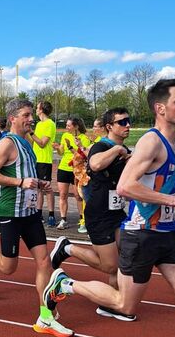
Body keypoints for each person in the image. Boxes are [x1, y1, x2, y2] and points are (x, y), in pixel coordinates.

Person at [43, 79, 175, 337]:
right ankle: (65, 284)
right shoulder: (150, 142)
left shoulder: (173, 148)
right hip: (141, 232)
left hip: (167, 233)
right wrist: (174, 201)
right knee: (124, 304)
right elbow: (125, 186)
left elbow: (160, 189)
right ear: (161, 108)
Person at [0, 98, 74, 337]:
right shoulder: (7, 143)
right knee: (8, 267)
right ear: (13, 118)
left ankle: (45, 316)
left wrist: (39, 185)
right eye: (27, 115)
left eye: (32, 115)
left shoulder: (27, 142)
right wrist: (20, 182)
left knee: (44, 262)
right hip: (10, 212)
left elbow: (26, 175)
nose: (31, 119)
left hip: (29, 212)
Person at [49, 107, 134, 319]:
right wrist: (118, 151)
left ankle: (113, 303)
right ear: (109, 127)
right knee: (109, 265)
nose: (127, 125)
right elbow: (95, 164)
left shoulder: (123, 148)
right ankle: (67, 248)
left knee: (124, 258)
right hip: (98, 213)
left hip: (116, 211)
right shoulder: (101, 146)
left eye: (128, 121)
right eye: (122, 122)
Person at [55, 116, 90, 230]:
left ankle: (82, 220)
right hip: (63, 168)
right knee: (63, 195)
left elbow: (81, 156)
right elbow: (61, 152)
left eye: (68, 125)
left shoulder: (84, 138)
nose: (66, 127)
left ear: (76, 126)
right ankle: (63, 220)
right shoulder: (65, 135)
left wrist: (70, 146)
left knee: (78, 196)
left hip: (77, 170)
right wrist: (57, 148)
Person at [27, 100, 57, 227]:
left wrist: (31, 132)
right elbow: (34, 142)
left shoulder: (50, 124)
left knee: (47, 188)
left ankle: (51, 215)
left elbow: (42, 143)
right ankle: (38, 214)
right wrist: (27, 132)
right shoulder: (39, 124)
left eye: (37, 107)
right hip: (36, 160)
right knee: (37, 189)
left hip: (44, 160)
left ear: (42, 109)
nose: (36, 109)